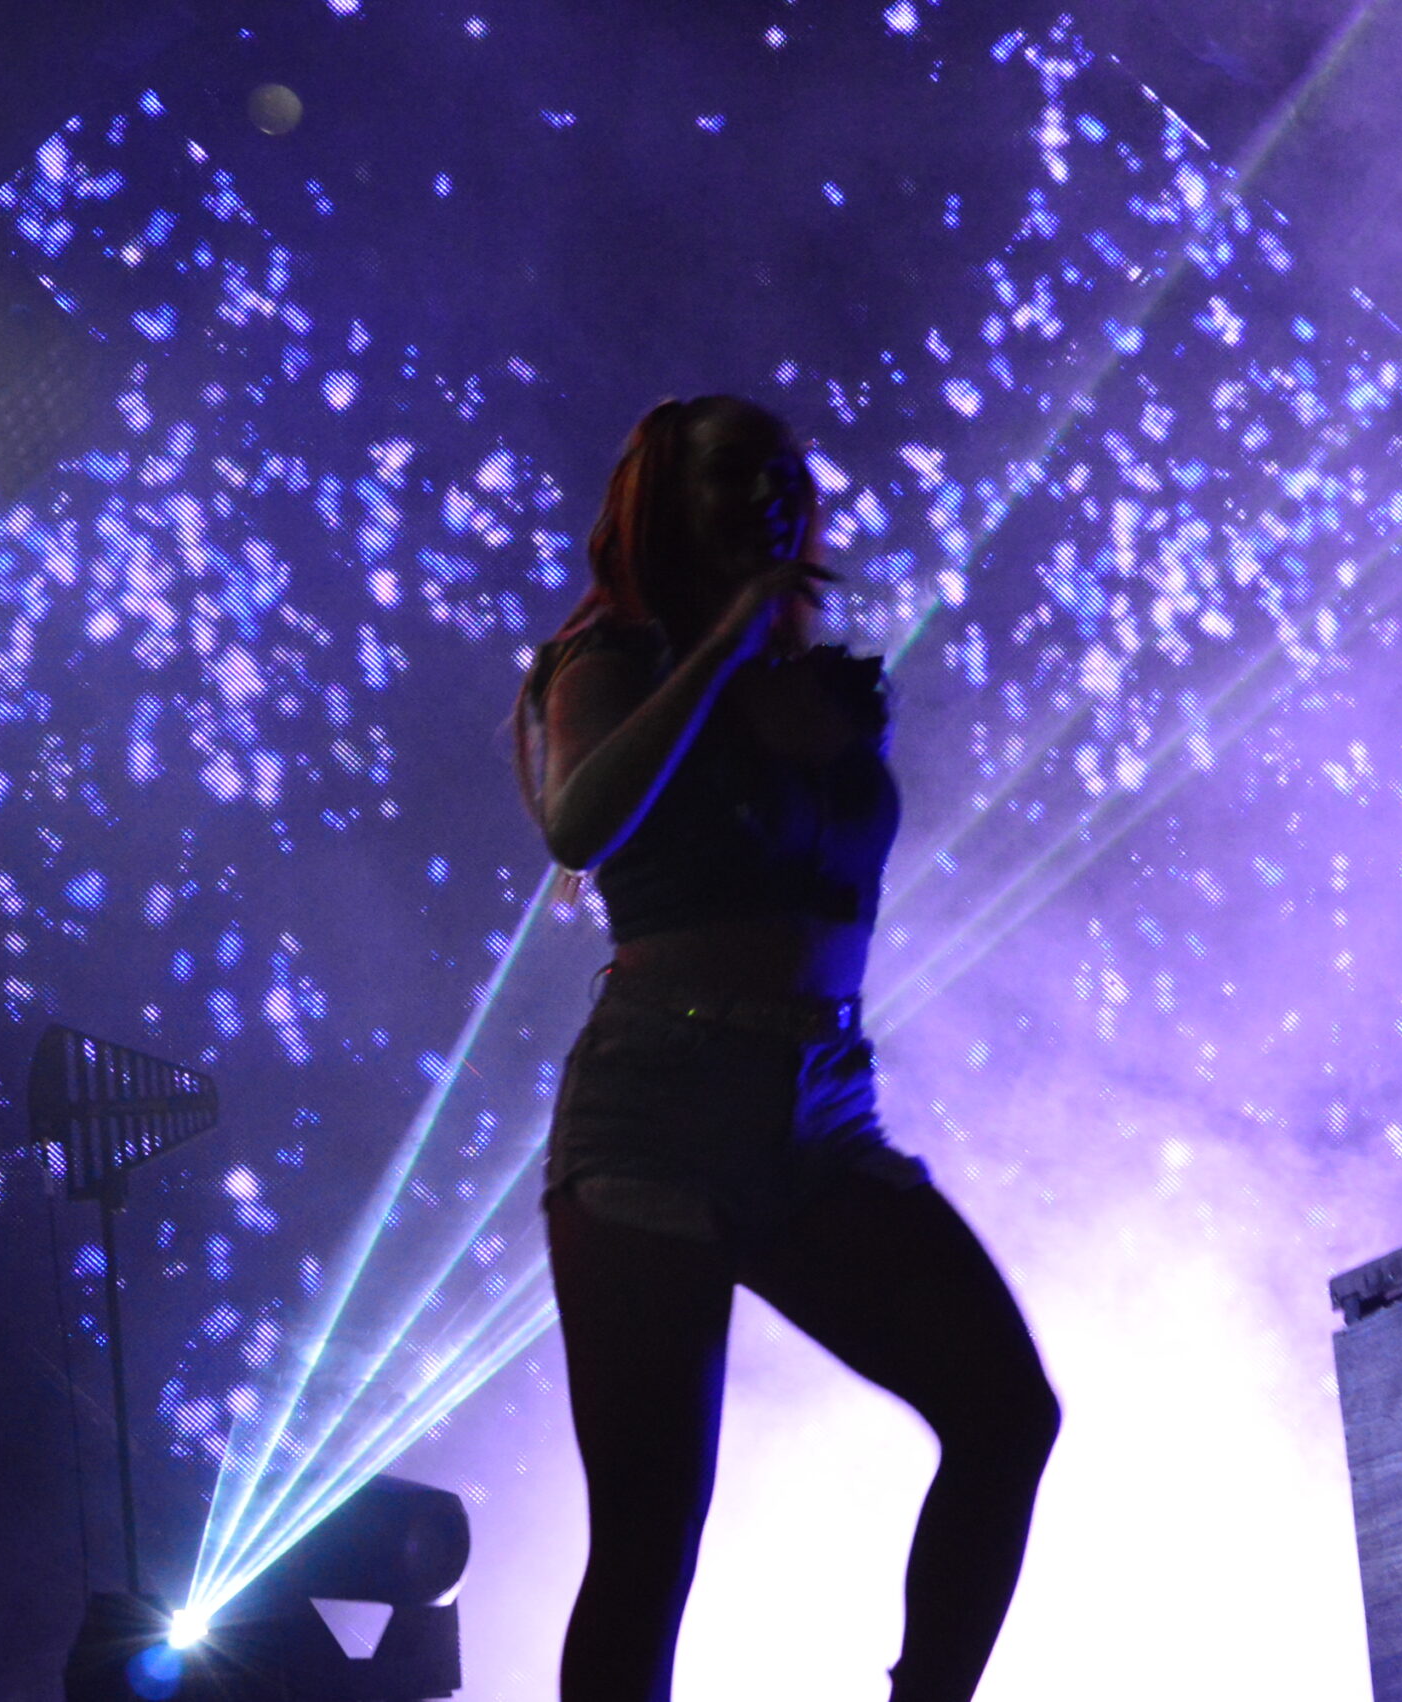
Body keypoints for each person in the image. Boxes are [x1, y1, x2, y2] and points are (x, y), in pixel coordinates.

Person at [512, 395, 1059, 1702]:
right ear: (660, 501)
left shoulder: (809, 682)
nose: (767, 494)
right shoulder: (612, 664)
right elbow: (578, 823)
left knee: (1005, 1413)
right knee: (649, 1538)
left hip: (820, 1108)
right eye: (729, 476)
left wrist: (806, 714)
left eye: (783, 475)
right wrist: (724, 651)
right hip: (659, 1102)